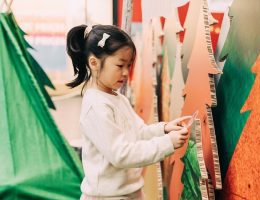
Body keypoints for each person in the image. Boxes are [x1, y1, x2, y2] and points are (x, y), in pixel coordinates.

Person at [66, 24, 190, 200]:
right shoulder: (96, 106)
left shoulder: (118, 98)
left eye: (129, 65)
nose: (126, 73)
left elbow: (138, 132)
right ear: (94, 63)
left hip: (130, 193)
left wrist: (164, 129)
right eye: (120, 65)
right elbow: (121, 154)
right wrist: (167, 143)